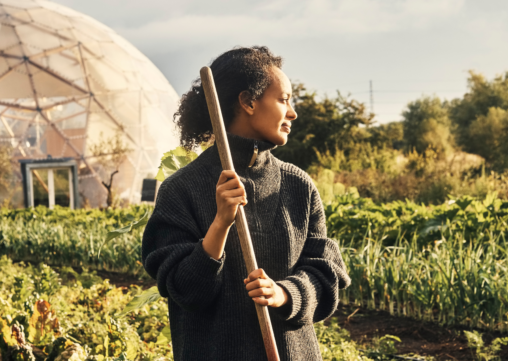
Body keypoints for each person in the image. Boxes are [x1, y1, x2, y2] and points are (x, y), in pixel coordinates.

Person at [140, 46, 351, 361]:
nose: (292, 113)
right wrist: (220, 223)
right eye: (283, 100)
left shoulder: (298, 186)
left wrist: (284, 294)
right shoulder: (181, 190)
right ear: (248, 102)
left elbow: (327, 275)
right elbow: (185, 291)